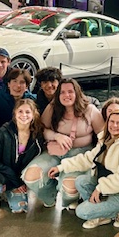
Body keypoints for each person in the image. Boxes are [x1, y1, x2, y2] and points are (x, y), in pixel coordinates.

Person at [48, 109, 119, 229]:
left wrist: (99, 188)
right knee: (81, 181)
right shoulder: (106, 140)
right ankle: (102, 215)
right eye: (112, 121)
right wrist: (61, 167)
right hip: (106, 187)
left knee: (82, 212)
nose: (114, 126)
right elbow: (88, 158)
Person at [23, 78, 105, 208]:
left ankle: (68, 199)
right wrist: (57, 136)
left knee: (69, 188)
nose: (66, 95)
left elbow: (103, 137)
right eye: (62, 92)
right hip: (55, 151)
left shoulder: (90, 110)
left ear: (77, 93)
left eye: (70, 91)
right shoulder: (52, 108)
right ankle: (50, 196)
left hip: (81, 154)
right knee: (31, 176)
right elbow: (42, 129)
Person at [0, 99, 44, 213]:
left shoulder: (37, 136)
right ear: (15, 113)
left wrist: (20, 181)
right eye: (20, 111)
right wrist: (13, 181)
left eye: (28, 112)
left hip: (16, 178)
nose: (24, 115)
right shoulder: (2, 132)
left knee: (20, 208)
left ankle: (7, 191)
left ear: (34, 114)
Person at [0, 68, 36, 135]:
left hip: (25, 136)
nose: (18, 85)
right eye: (15, 81)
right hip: (1, 136)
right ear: (9, 84)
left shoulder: (32, 100)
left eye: (22, 82)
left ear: (26, 86)